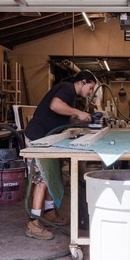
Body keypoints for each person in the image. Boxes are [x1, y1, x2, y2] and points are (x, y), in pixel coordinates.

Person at [23, 71, 97, 240]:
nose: (90, 92)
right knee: (41, 179)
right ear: (83, 82)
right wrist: (78, 112)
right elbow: (55, 105)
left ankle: (49, 213)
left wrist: (83, 121)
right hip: (37, 138)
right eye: (90, 88)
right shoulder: (66, 88)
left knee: (52, 175)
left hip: (48, 139)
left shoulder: (71, 97)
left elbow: (65, 119)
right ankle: (33, 223)